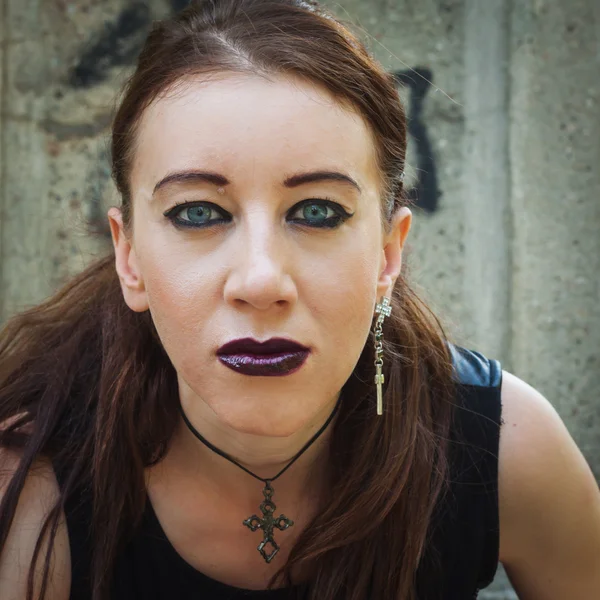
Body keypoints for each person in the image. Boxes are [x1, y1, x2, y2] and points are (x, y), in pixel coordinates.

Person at [1, 0, 599, 598]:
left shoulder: (503, 447)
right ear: (128, 257)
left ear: (388, 255)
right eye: (199, 213)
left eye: (317, 212)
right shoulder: (29, 482)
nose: (261, 282)